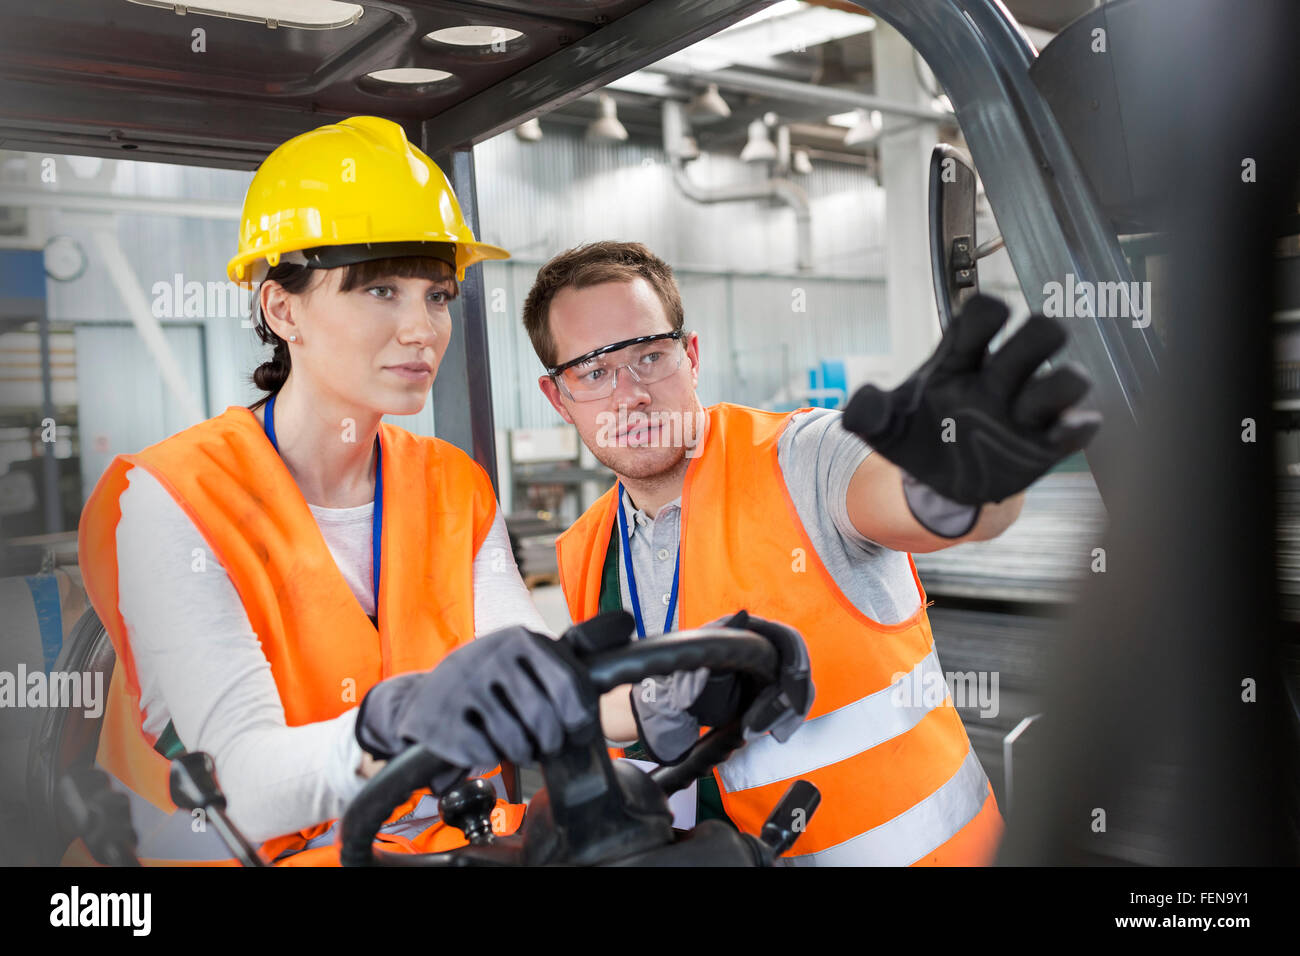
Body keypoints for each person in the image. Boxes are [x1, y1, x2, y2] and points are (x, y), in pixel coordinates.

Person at [74, 117, 597, 866]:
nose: (423, 330)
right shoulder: (173, 500)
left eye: (438, 297)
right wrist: (394, 724)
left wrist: (642, 698)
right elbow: (244, 786)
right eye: (381, 290)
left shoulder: (451, 485)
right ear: (281, 310)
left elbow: (528, 670)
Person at [521, 241, 1100, 866]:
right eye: (593, 372)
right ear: (558, 398)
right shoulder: (583, 550)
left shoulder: (800, 457)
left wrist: (954, 491)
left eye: (649, 357)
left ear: (690, 356)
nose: (630, 394)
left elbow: (903, 498)